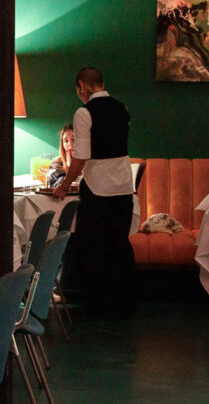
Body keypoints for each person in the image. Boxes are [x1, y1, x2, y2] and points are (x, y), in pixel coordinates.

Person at [53, 67, 135, 315]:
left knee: (95, 247)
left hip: (98, 189)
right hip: (123, 187)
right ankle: (122, 305)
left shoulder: (84, 112)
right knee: (119, 245)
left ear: (82, 86)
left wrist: (63, 187)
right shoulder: (123, 109)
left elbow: (80, 158)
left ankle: (98, 306)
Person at [47, 123, 74, 188]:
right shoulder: (57, 163)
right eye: (66, 141)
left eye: (74, 140)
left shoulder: (92, 162)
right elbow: (52, 187)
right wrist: (68, 167)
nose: (70, 145)